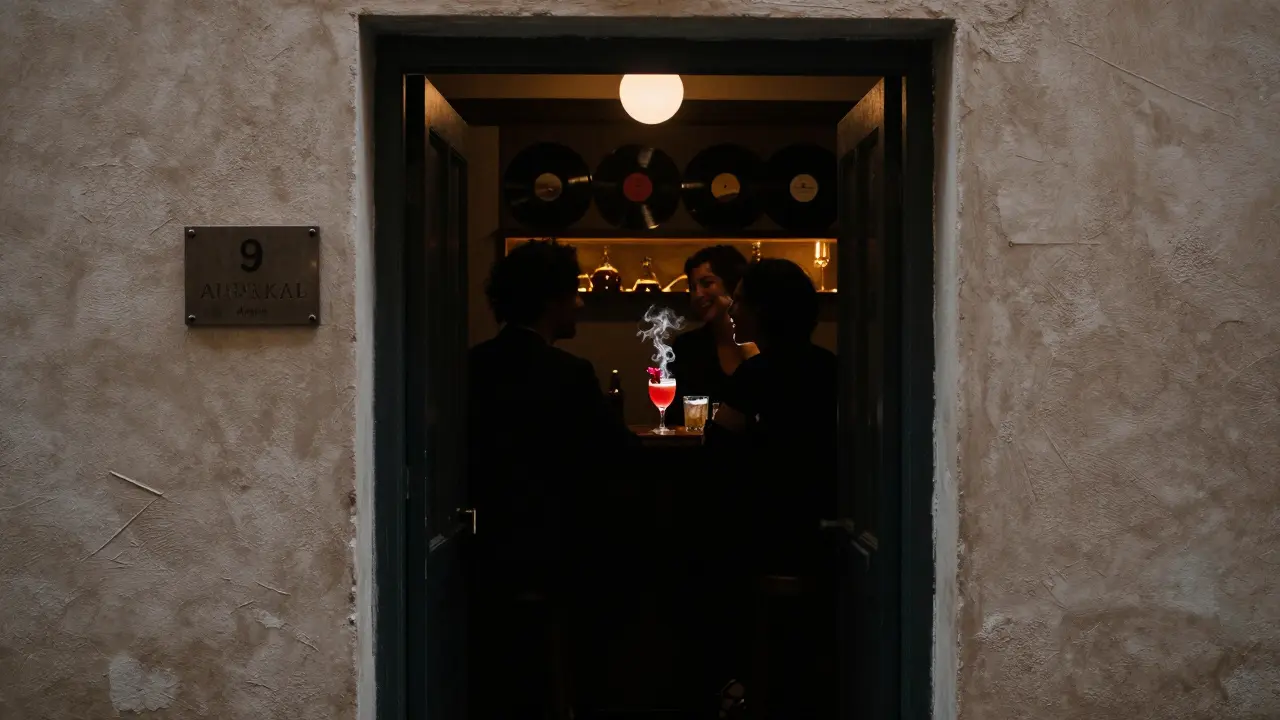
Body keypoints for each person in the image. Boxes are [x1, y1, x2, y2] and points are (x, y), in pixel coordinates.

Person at [467, 239, 635, 720]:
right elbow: (614, 455)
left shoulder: (472, 365)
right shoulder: (571, 372)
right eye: (573, 292)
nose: (580, 302)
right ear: (550, 301)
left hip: (487, 555)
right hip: (557, 556)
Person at [704, 258, 839, 718]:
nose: (731, 308)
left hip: (764, 540)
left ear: (765, 309)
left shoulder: (756, 375)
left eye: (739, 300)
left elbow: (718, 451)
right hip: (821, 538)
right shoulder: (832, 369)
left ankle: (738, 688)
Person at [666, 245, 759, 427]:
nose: (697, 295)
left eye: (707, 283)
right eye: (692, 288)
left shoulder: (763, 343)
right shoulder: (687, 347)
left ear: (733, 284)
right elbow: (675, 417)